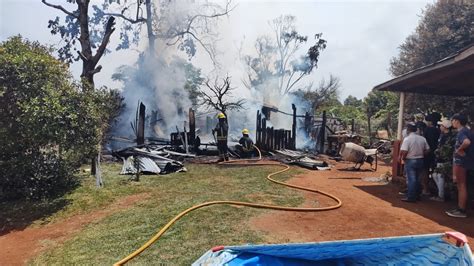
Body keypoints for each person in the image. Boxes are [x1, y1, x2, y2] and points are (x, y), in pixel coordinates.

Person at [446, 114, 473, 218]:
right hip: (465, 161)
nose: (452, 122)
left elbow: (466, 142)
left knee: (461, 185)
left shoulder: (462, 132)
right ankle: (460, 207)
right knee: (462, 185)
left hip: (461, 162)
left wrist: (459, 150)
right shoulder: (467, 131)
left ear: (457, 121)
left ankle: (461, 209)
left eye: (453, 120)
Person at [398, 124, 430, 202]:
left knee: (411, 179)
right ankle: (417, 195)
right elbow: (428, 150)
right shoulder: (422, 138)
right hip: (420, 160)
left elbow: (404, 151)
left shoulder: (407, 139)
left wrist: (403, 158)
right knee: (418, 179)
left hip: (410, 160)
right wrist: (422, 154)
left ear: (408, 130)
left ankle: (411, 197)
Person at [430, 118, 455, 202]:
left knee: (440, 176)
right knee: (436, 175)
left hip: (443, 159)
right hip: (441, 158)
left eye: (441, 125)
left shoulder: (447, 137)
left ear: (445, 127)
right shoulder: (445, 135)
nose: (440, 126)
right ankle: (442, 193)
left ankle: (441, 195)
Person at [421, 114, 440, 196]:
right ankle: (437, 189)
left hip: (427, 153)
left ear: (430, 122)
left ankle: (425, 189)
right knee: (435, 172)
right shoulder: (438, 130)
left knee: (425, 171)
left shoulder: (427, 130)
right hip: (437, 153)